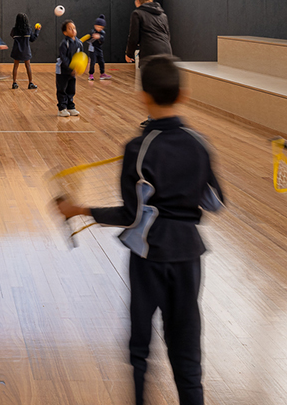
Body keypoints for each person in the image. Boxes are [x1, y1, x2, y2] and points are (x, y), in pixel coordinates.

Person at [56, 55, 224, 405]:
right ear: (184, 94)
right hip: (189, 256)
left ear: (142, 96)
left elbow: (130, 216)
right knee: (187, 347)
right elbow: (214, 202)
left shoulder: (137, 148)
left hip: (150, 257)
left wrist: (80, 210)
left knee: (140, 348)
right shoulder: (200, 144)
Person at [126, 0, 172, 91]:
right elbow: (167, 36)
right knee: (162, 86)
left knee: (149, 88)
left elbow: (134, 37)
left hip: (150, 53)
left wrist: (129, 54)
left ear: (138, 1)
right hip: (166, 52)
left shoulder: (137, 13)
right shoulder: (163, 15)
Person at [55, 20, 83, 117]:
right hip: (62, 70)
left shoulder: (79, 43)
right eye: (70, 28)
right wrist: (71, 68)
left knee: (71, 89)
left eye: (74, 28)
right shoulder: (64, 43)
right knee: (62, 89)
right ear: (65, 32)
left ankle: (70, 107)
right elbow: (63, 58)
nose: (73, 30)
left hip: (72, 71)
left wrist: (79, 66)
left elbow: (81, 56)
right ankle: (62, 109)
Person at [9, 13, 40, 90]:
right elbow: (32, 39)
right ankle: (30, 83)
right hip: (26, 51)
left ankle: (14, 83)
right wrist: (37, 31)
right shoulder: (28, 29)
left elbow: (12, 36)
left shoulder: (14, 30)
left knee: (15, 66)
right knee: (28, 66)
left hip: (17, 50)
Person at [86, 14, 110, 81]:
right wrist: (92, 36)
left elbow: (102, 41)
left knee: (101, 61)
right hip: (92, 49)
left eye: (101, 27)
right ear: (95, 26)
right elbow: (88, 39)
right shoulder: (92, 31)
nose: (99, 28)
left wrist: (99, 37)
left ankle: (102, 73)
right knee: (93, 62)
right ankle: (91, 74)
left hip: (99, 49)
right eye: (98, 26)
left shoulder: (102, 33)